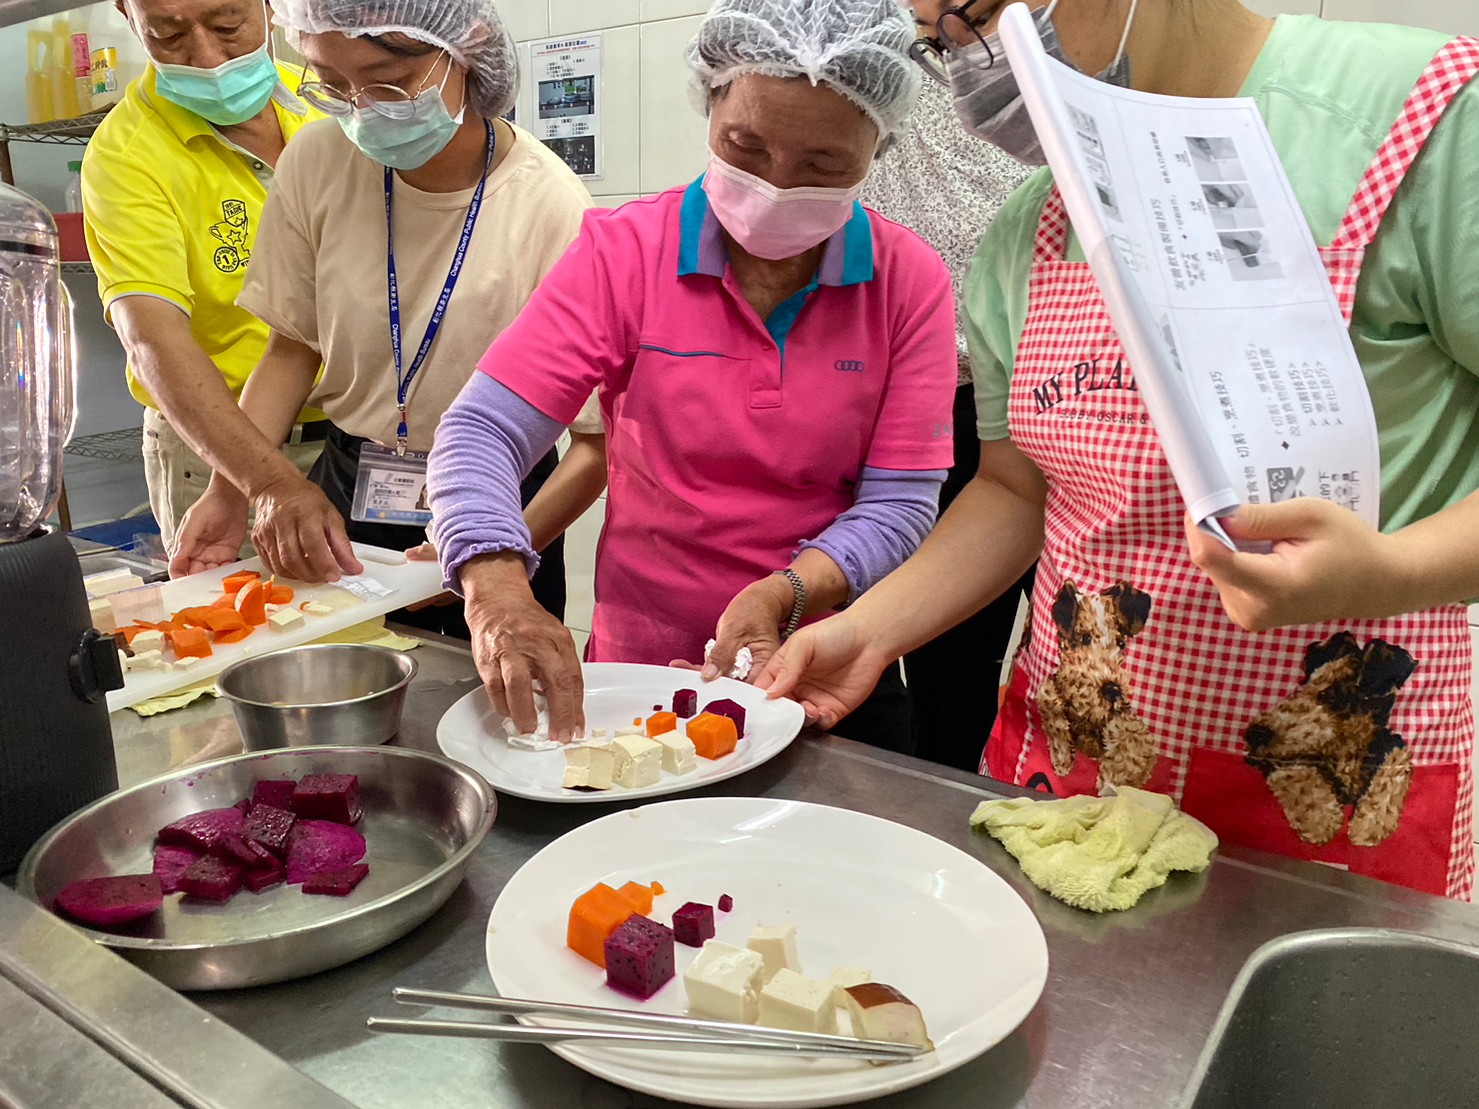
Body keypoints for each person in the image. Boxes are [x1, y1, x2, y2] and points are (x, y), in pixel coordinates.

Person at [762, 0, 1479, 900]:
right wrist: (864, 632)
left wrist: (1390, 571)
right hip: (1073, 775)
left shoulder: (1420, 120)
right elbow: (1014, 492)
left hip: (1332, 784)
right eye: (942, 41)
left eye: (976, 12)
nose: (971, 68)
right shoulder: (1030, 225)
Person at [427, 0, 958, 748]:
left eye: (822, 165)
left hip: (817, 662)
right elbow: (483, 427)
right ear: (709, 102)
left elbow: (901, 503)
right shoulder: (625, 254)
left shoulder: (907, 281)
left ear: (878, 145)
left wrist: (787, 593)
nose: (775, 185)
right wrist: (495, 584)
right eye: (744, 146)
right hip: (639, 671)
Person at [171, 0, 605, 634]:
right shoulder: (318, 162)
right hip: (347, 495)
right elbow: (291, 350)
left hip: (501, 504)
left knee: (486, 704)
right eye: (334, 84)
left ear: (466, 48)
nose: (361, 108)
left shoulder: (551, 207)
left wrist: (492, 555)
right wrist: (230, 489)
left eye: (388, 85)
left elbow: (596, 448)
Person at [82, 0, 328, 553]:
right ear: (128, 14)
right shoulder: (127, 155)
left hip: (358, 433)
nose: (208, 58)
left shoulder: (324, 104)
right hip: (218, 445)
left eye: (227, 26)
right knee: (250, 629)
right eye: (168, 35)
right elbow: (154, 340)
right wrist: (254, 480)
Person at [860, 43, 1033, 772]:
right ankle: (933, 803)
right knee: (936, 657)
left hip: (1048, 391)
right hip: (926, 395)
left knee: (992, 659)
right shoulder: (874, 50)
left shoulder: (1029, 76)